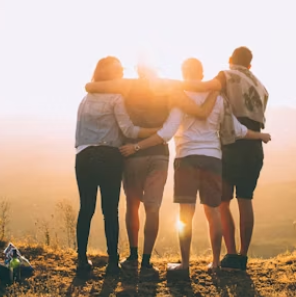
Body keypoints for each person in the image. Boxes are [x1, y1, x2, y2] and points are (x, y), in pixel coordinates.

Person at [119, 58, 271, 277]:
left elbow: (167, 132)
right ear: (202, 74)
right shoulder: (218, 98)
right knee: (213, 212)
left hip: (186, 158)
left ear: (183, 73)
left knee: (185, 214)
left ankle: (185, 265)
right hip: (213, 159)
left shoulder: (180, 96)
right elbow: (236, 129)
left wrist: (136, 146)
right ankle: (216, 264)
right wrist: (260, 135)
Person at [85, 63, 218, 277]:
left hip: (132, 154)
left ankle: (132, 257)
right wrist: (215, 86)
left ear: (139, 70)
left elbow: (90, 86)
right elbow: (200, 108)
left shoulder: (126, 86)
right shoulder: (169, 87)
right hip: (158, 154)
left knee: (132, 205)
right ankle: (146, 263)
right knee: (153, 208)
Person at [172, 47, 269, 271]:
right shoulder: (261, 86)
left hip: (231, 144)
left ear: (229, 60)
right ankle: (242, 257)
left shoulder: (226, 75)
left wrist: (173, 86)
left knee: (221, 203)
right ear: (250, 65)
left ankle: (230, 255)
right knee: (246, 199)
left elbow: (205, 87)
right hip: (253, 146)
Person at [74, 56, 158, 275]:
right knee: (110, 211)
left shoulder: (86, 99)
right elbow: (129, 131)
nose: (122, 73)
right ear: (111, 75)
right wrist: (156, 132)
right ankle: (113, 263)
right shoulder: (116, 98)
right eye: (118, 70)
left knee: (86, 209)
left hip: (84, 156)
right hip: (109, 156)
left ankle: (82, 261)